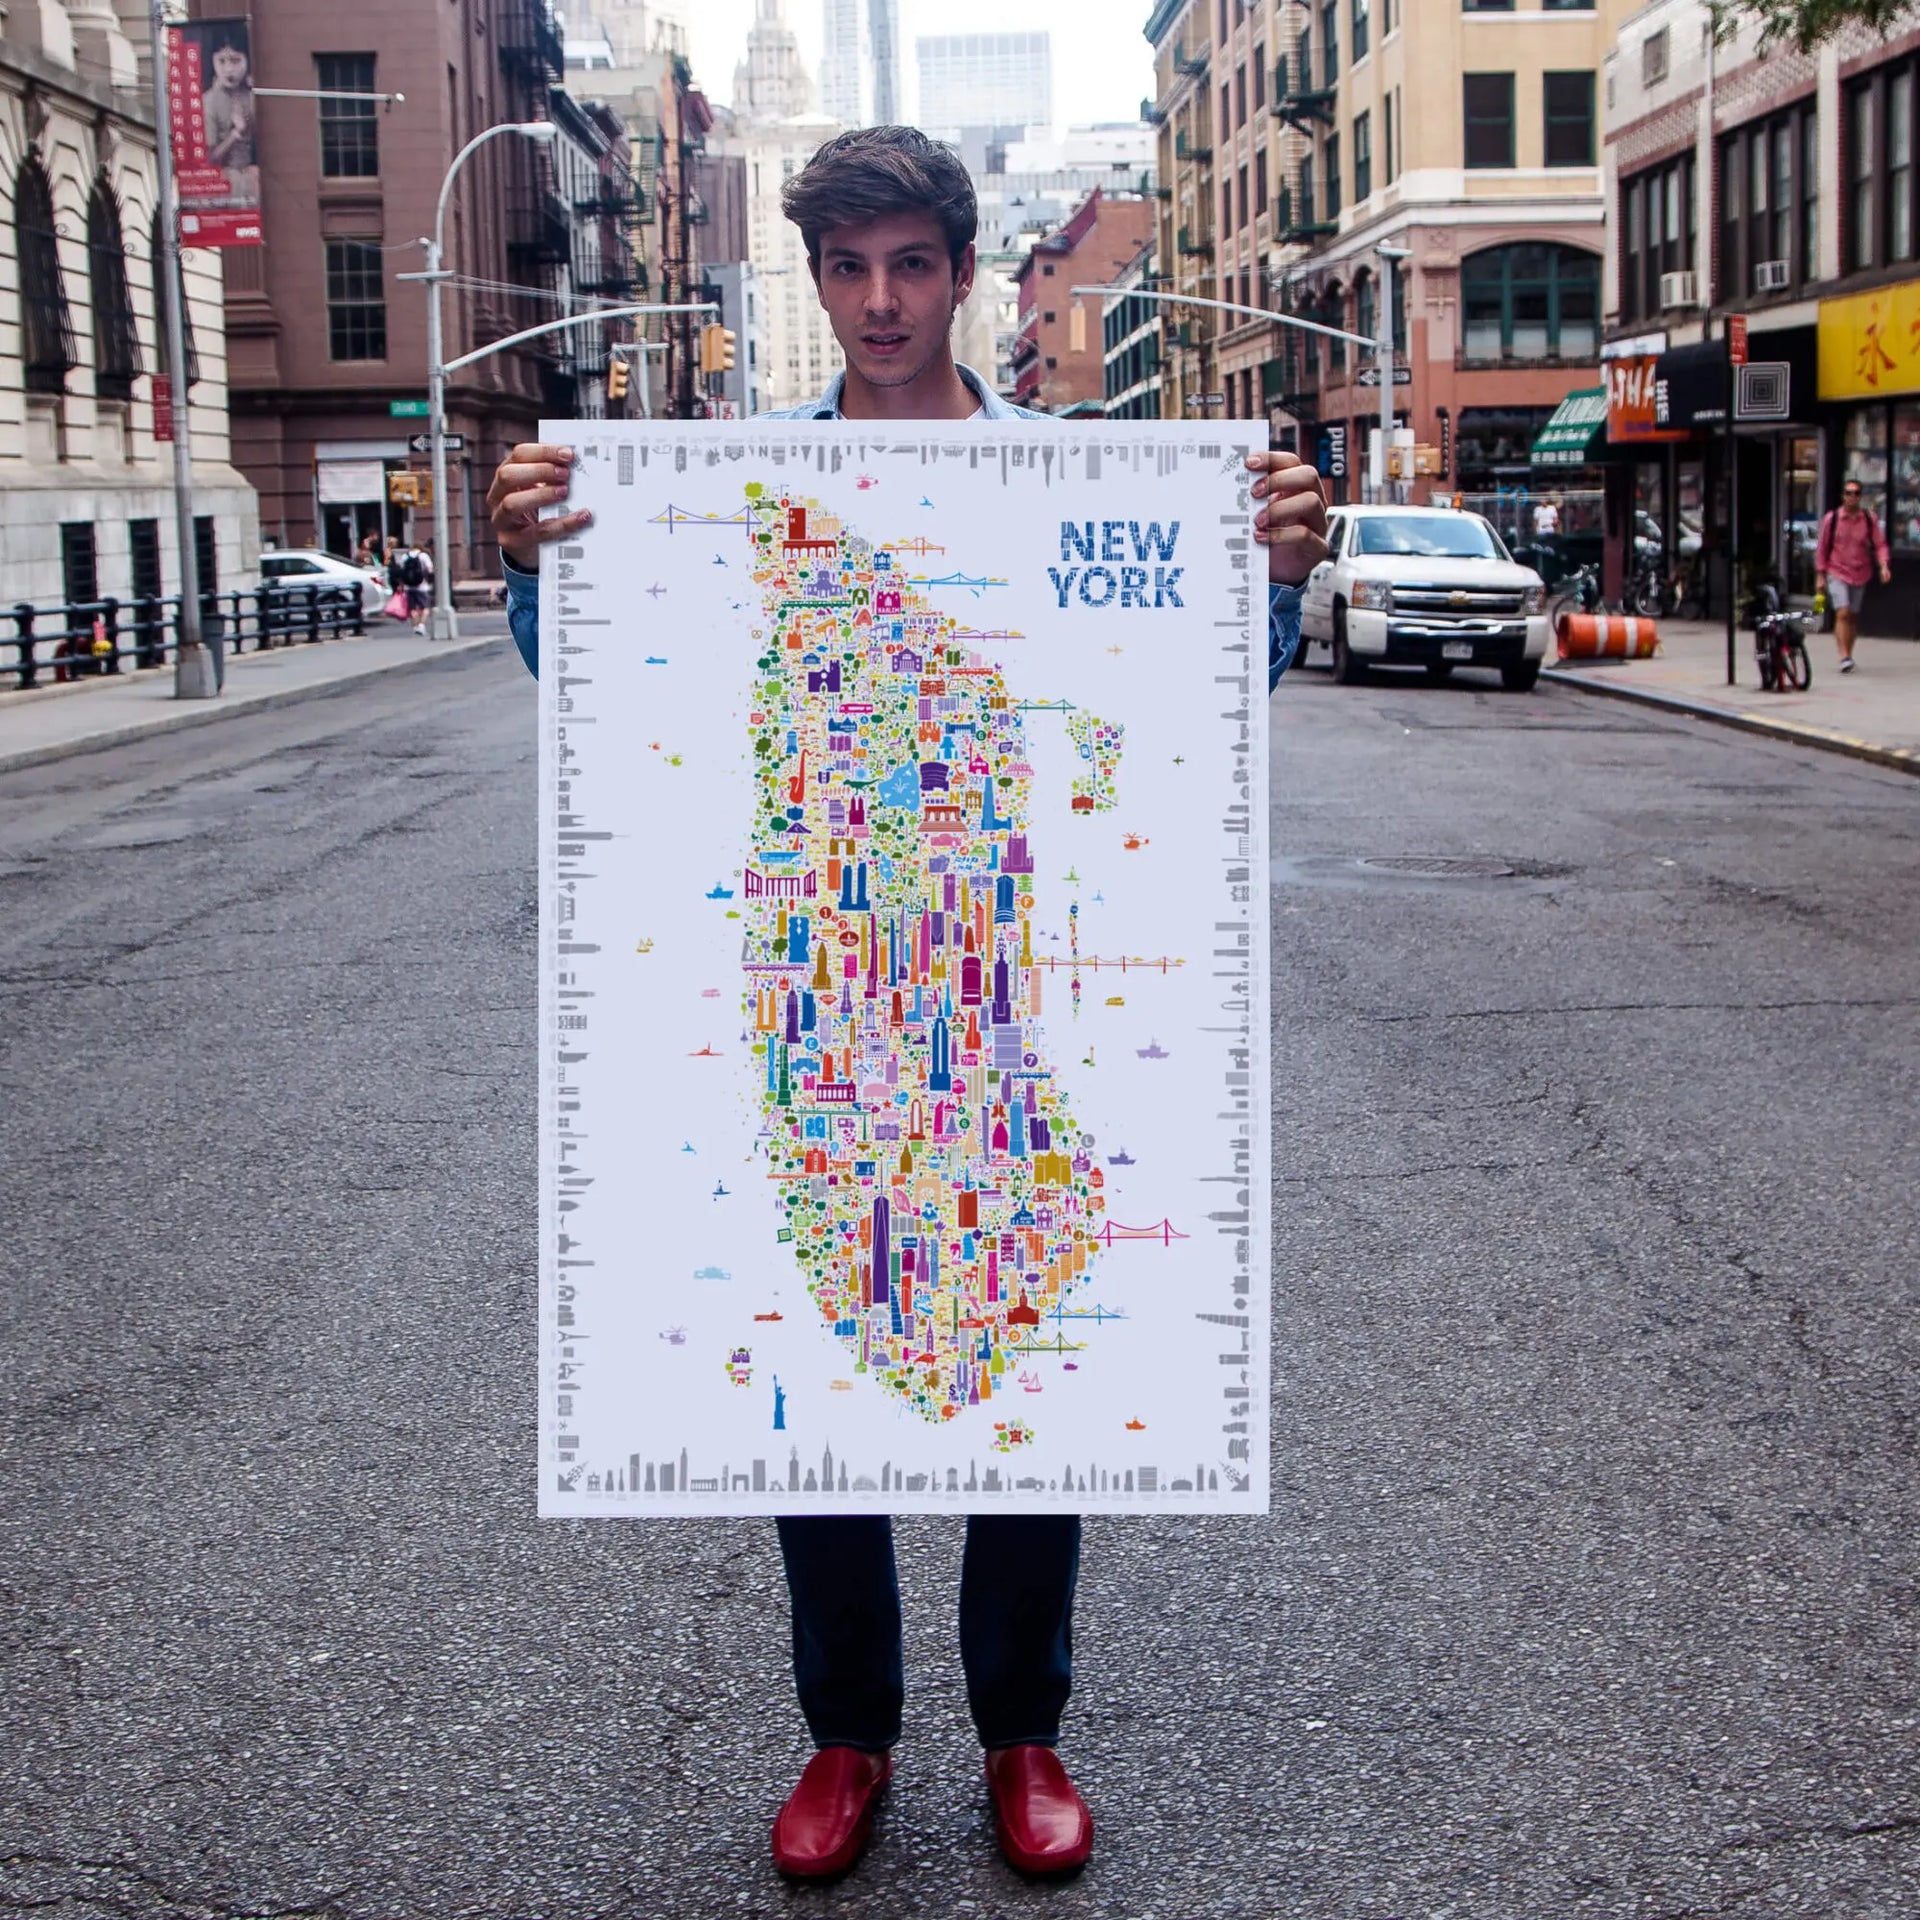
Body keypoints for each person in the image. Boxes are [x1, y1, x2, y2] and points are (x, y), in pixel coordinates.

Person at [487, 126, 1328, 1884]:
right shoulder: (729, 484)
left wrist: (1271, 574)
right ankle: (847, 1740)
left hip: (1003, 962)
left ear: (958, 269)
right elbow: (607, 677)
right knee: (820, 1340)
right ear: (818, 281)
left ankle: (1027, 1729)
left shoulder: (1083, 477)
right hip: (823, 964)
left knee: (1026, 1321)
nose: (880, 303)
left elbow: (1205, 698)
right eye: (848, 270)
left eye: (912, 266)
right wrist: (534, 560)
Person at [1814, 479, 1891, 673]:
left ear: (1861, 497)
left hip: (1860, 571)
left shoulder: (1868, 518)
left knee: (1853, 617)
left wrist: (1884, 566)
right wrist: (1820, 575)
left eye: (1856, 493)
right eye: (1849, 493)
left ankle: (1849, 652)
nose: (1852, 497)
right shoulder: (1831, 519)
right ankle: (1844, 656)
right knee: (1843, 612)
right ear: (1843, 496)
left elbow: (1879, 544)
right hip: (1837, 570)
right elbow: (1822, 548)